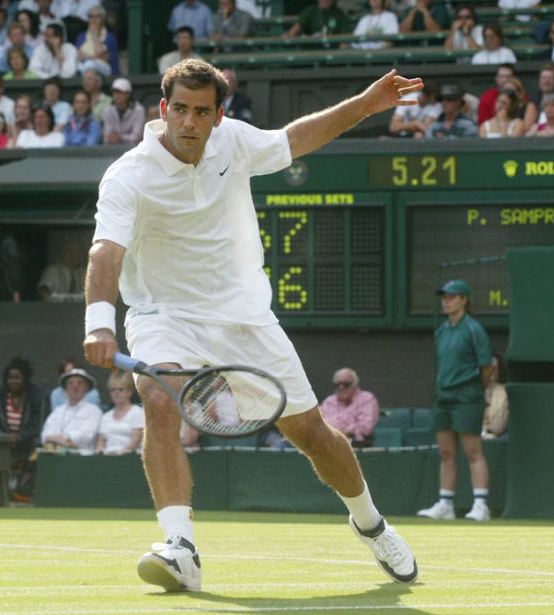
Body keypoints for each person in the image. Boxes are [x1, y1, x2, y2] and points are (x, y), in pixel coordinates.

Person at [82, 59, 420, 592]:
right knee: (160, 397)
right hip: (163, 315)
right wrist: (99, 323)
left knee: (312, 435)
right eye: (180, 110)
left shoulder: (234, 142)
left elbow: (296, 138)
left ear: (219, 116)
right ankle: (180, 547)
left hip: (244, 317)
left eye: (202, 112)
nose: (189, 122)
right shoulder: (128, 175)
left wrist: (367, 103)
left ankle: (371, 524)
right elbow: (106, 251)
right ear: (163, 110)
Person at [417, 280, 492, 523]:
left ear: (464, 300)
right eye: (444, 297)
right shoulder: (442, 331)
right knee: (446, 452)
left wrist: (476, 391)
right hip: (444, 397)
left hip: (468, 395)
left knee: (473, 451)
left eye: (451, 297)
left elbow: (486, 367)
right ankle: (445, 504)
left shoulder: (474, 329)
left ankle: (481, 505)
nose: (446, 301)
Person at [0, 357, 46, 500]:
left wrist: (20, 436)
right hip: (5, 443)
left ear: (25, 378)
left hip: (28, 443)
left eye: (17, 378)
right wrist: (4, 436)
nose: (13, 381)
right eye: (10, 378)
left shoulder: (35, 395)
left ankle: (24, 494)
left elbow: (38, 421)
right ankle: (3, 496)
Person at [41, 367, 103, 454]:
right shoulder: (57, 411)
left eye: (80, 383)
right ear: (65, 388)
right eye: (71, 383)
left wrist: (59, 439)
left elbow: (87, 437)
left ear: (86, 387)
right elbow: (45, 436)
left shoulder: (94, 411)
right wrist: (64, 441)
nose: (75, 386)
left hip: (81, 459)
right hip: (55, 457)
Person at [319, 368, 380, 447]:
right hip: (328, 444)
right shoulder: (329, 401)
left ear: (355, 384)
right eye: (337, 385)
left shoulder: (367, 398)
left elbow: (366, 427)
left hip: (357, 445)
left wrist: (343, 431)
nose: (341, 388)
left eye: (346, 384)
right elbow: (318, 425)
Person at [97, 372, 145, 455]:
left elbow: (136, 439)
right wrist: (101, 451)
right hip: (107, 457)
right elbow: (101, 441)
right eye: (113, 390)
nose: (116, 393)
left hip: (130, 457)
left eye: (120, 389)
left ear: (129, 392)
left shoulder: (137, 412)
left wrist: (120, 453)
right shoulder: (106, 416)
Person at [76, 5, 119, 77]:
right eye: (91, 16)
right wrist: (96, 57)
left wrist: (94, 35)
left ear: (103, 18)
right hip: (85, 66)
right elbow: (80, 56)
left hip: (106, 68)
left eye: (97, 16)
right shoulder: (82, 36)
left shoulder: (110, 37)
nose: (93, 19)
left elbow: (98, 52)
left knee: (90, 63)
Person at [102, 77, 145, 145]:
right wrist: (111, 138)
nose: (116, 95)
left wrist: (121, 137)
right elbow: (107, 136)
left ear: (128, 94)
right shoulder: (108, 110)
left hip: (133, 149)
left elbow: (137, 137)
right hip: (113, 149)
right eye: (115, 92)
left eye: (120, 92)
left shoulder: (139, 110)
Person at [284, 0, 349, 38]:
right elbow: (293, 31)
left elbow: (344, 38)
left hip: (332, 49)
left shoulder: (339, 14)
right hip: (311, 49)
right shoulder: (310, 11)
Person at [482, 353, 508, 439]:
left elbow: (498, 426)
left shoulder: (503, 393)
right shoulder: (470, 391)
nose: (491, 371)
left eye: (494, 368)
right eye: (488, 368)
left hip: (492, 437)